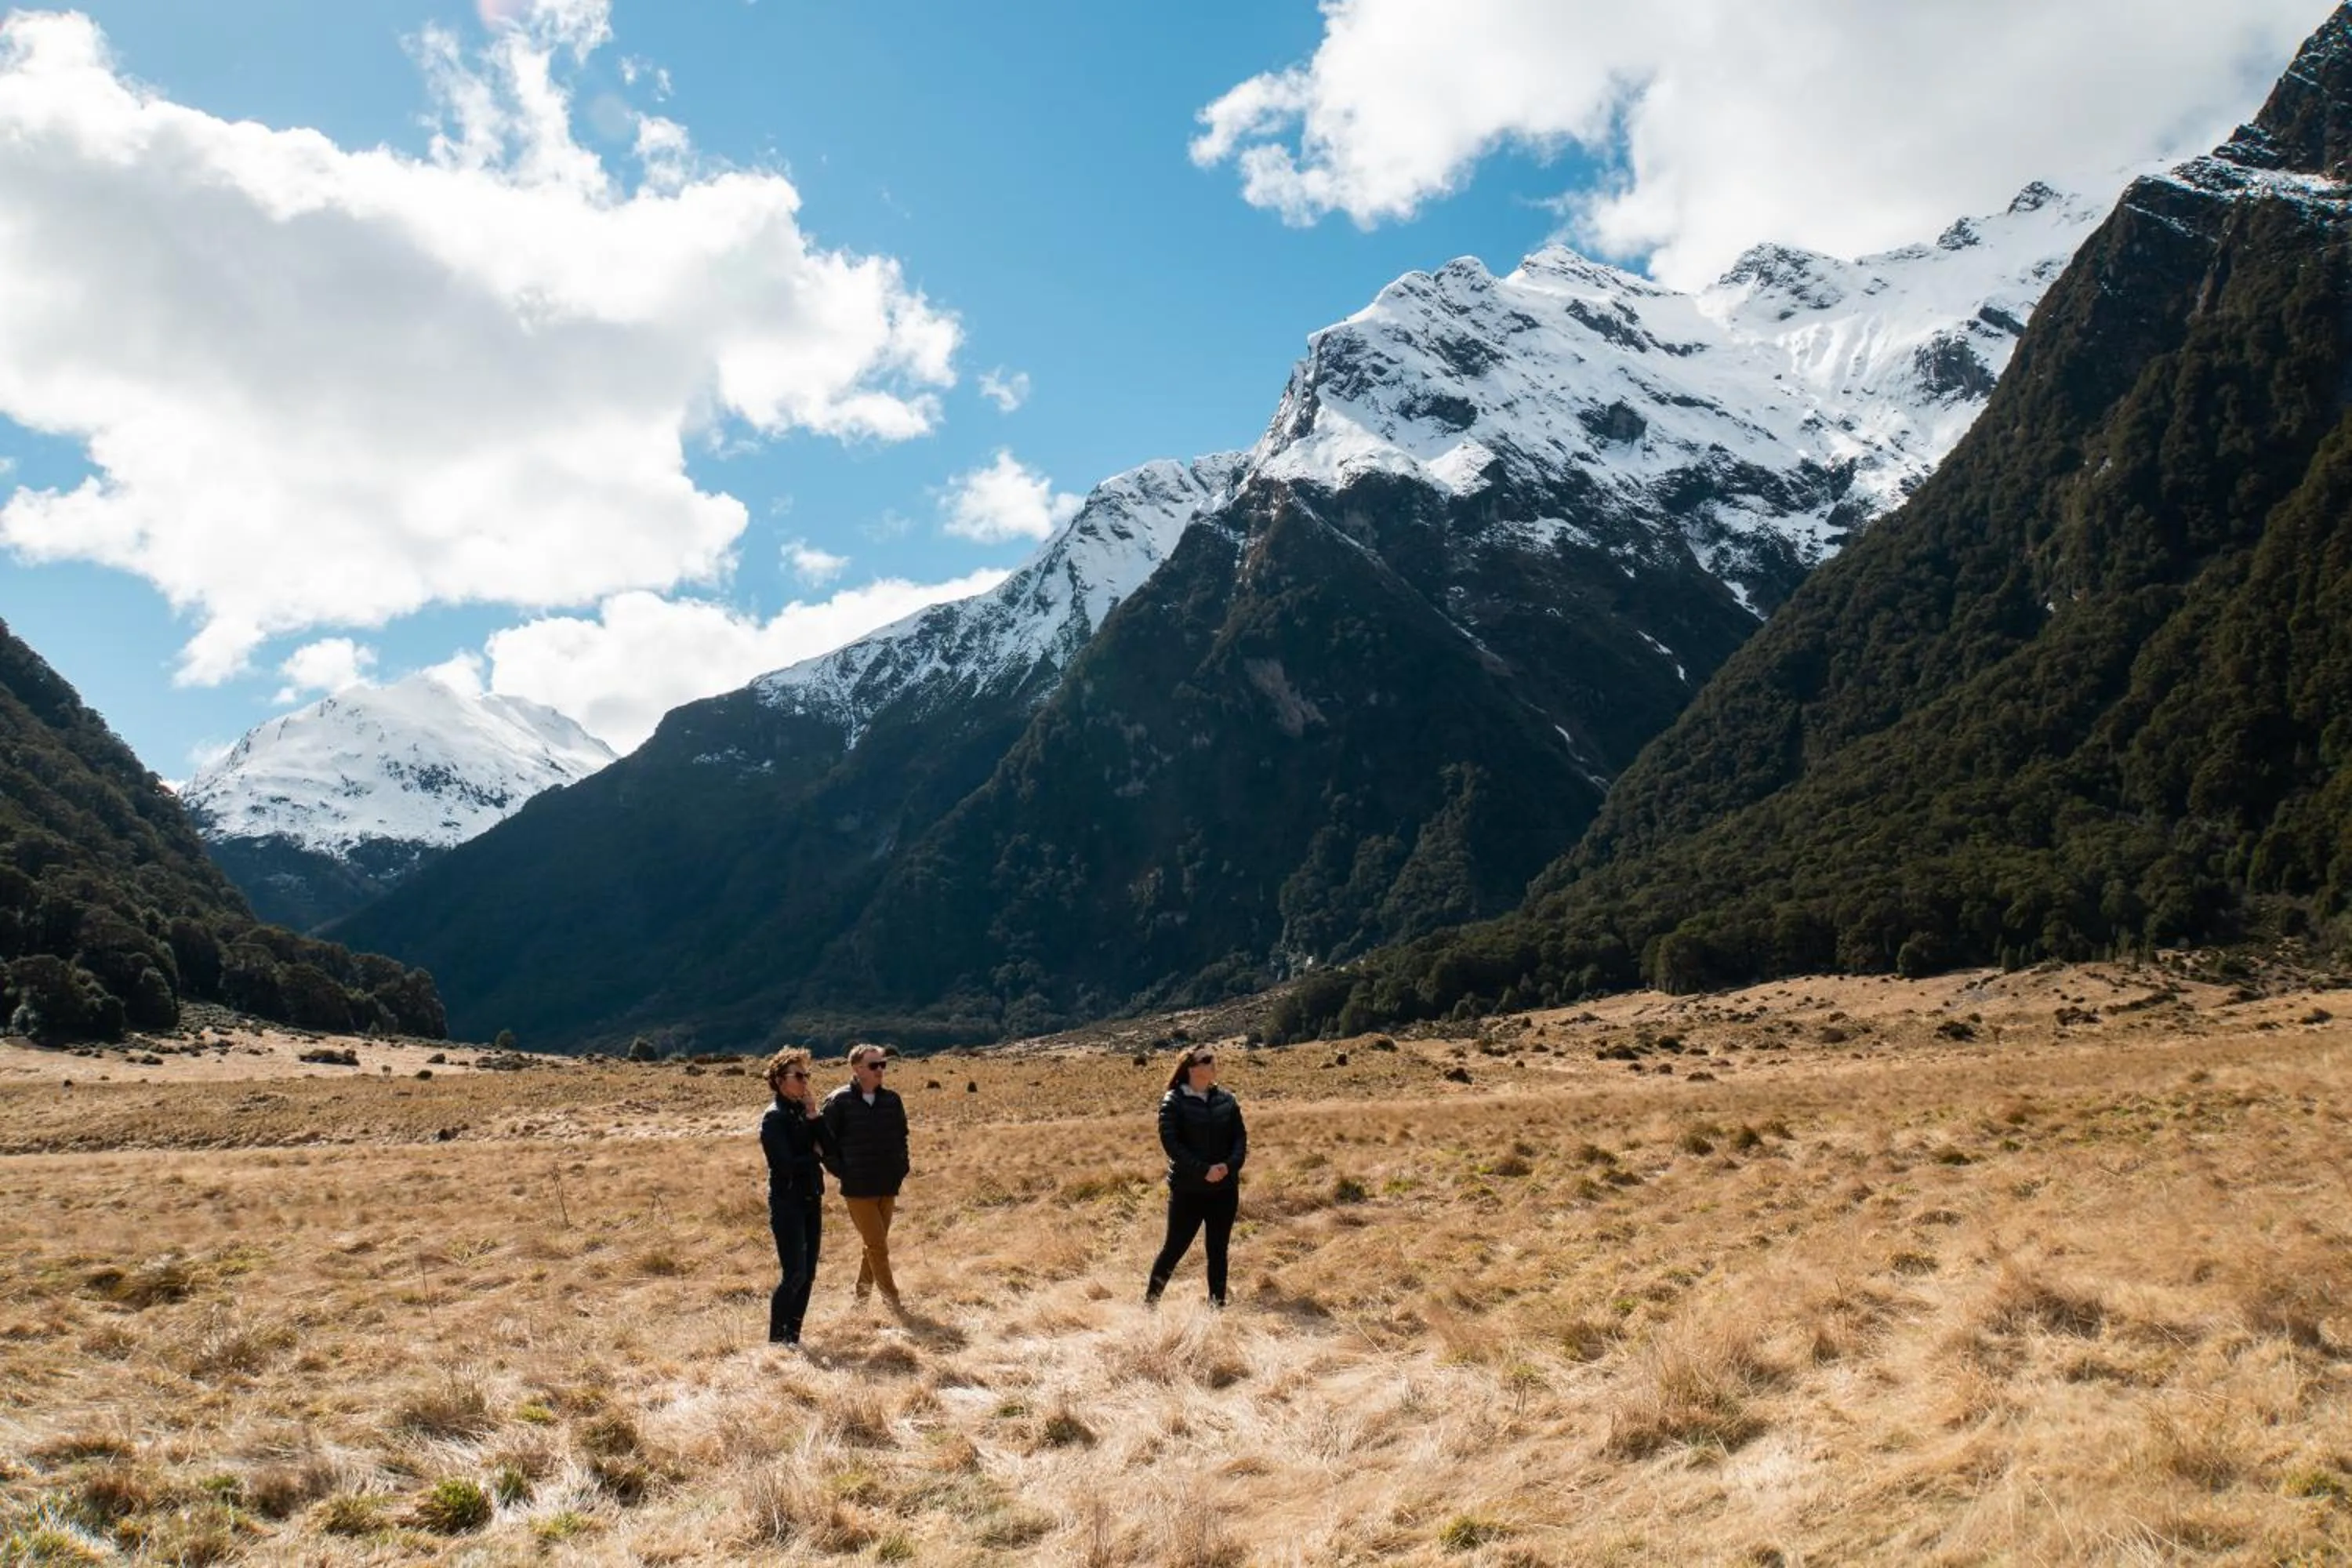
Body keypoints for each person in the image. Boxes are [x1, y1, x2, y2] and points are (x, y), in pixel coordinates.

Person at [1145, 1044, 1247, 1307]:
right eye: (1207, 1059)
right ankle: (1150, 1304)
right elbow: (1172, 1145)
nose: (1214, 1062)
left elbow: (1240, 1140)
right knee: (1174, 1249)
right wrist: (1204, 1170)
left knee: (1218, 1251)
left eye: (1214, 1058)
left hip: (1224, 1190)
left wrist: (1227, 1167)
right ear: (1192, 1067)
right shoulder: (1173, 1102)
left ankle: (1217, 1307)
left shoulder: (1227, 1100)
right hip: (1188, 1191)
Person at [818, 1044, 910, 1311]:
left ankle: (859, 1304)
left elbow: (901, 1136)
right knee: (878, 1247)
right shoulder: (839, 1101)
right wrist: (844, 1171)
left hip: (887, 1185)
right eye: (874, 1065)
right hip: (858, 1189)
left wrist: (901, 1167)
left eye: (883, 1064)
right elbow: (825, 1144)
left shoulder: (892, 1100)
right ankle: (894, 1303)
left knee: (873, 1246)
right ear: (857, 1069)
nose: (880, 1069)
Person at [759, 1047, 826, 1346]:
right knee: (794, 1273)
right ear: (779, 1080)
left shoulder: (803, 1112)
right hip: (787, 1203)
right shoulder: (774, 1118)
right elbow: (783, 1165)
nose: (804, 1081)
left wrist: (814, 1116)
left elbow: (829, 1147)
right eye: (798, 1076)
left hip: (811, 1198)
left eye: (806, 1075)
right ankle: (777, 1341)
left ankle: (793, 1338)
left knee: (809, 1274)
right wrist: (813, 1158)